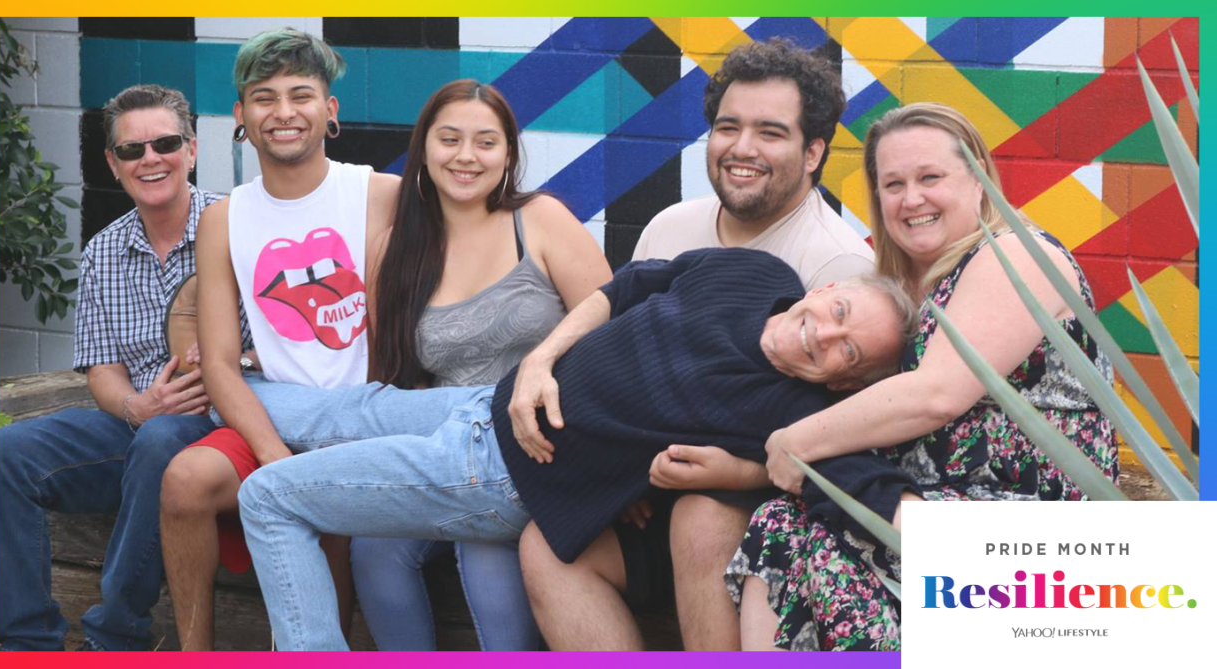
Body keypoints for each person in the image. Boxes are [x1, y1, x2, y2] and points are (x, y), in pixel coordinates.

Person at [231, 246, 914, 651]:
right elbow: (632, 285)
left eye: (847, 351)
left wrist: (993, 548)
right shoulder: (754, 273)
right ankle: (196, 381)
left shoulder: (796, 414)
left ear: (847, 381)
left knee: (267, 498)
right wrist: (541, 359)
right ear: (826, 290)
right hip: (490, 399)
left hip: (492, 472)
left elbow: (871, 494)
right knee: (308, 403)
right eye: (840, 313)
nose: (824, 334)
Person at [518, 37, 875, 651]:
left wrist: (739, 474)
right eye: (728, 127)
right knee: (548, 541)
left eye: (770, 132)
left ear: (813, 151)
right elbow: (622, 359)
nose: (742, 149)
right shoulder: (670, 227)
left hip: (755, 501)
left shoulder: (838, 268)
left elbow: (840, 441)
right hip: (646, 478)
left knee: (701, 517)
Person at [728, 102, 1118, 651]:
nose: (911, 199)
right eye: (893, 184)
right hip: (926, 512)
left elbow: (937, 395)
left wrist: (794, 443)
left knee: (800, 535)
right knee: (777, 525)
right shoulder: (896, 296)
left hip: (1026, 531)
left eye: (930, 178)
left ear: (979, 176)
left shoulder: (1018, 255)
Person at [155, 28, 399, 651]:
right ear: (241, 116)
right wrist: (276, 459)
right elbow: (219, 364)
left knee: (332, 530)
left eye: (301, 94)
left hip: (361, 419)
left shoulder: (379, 195)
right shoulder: (225, 218)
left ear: (330, 109)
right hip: (273, 416)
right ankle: (195, 653)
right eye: (264, 98)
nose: (283, 112)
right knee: (184, 482)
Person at [348, 79, 610, 650]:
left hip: (548, 453)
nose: (466, 156)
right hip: (450, 453)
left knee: (484, 552)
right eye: (450, 139)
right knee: (372, 547)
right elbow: (395, 382)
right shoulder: (393, 249)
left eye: (485, 142)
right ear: (424, 149)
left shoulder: (541, 219)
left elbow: (612, 336)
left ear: (508, 154)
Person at [0, 85, 248, 651]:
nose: (150, 159)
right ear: (113, 162)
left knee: (162, 440)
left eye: (165, 144)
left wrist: (232, 357)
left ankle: (116, 638)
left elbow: (281, 347)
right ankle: (26, 644)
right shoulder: (102, 252)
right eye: (132, 151)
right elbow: (103, 372)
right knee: (2, 453)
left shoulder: (238, 228)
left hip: (223, 425)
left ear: (191, 150)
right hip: (136, 422)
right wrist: (137, 404)